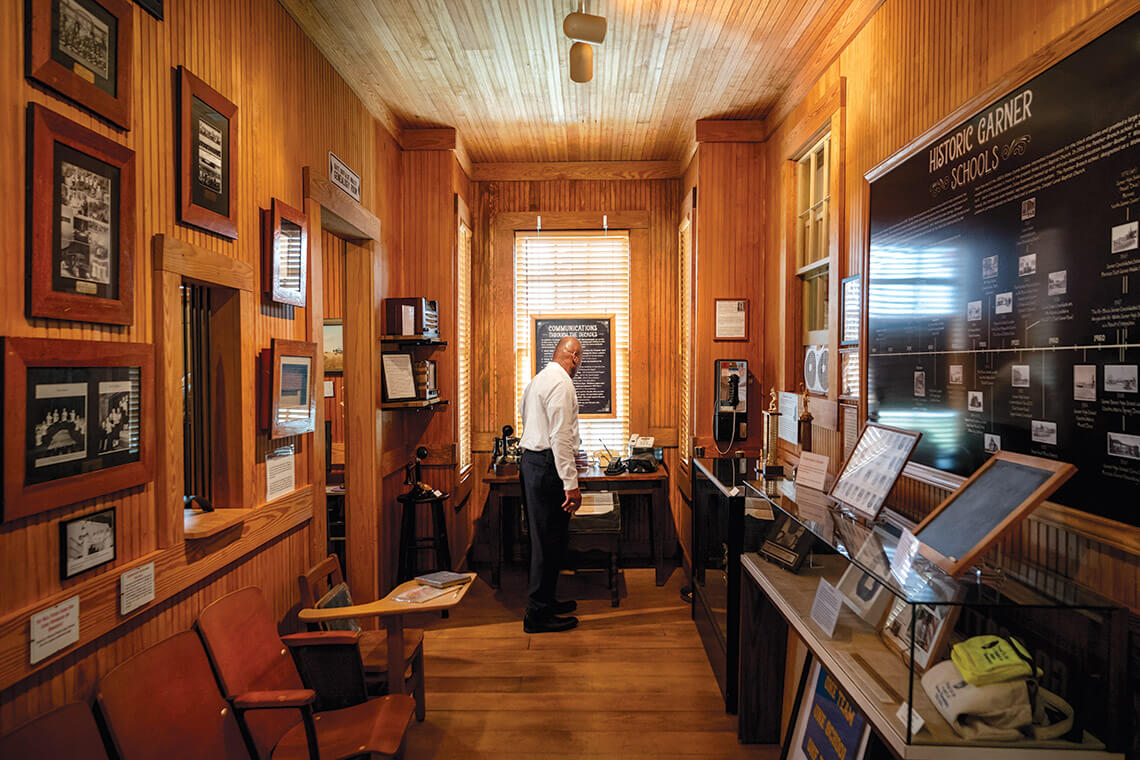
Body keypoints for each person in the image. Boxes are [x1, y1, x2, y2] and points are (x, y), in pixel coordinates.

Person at [518, 336, 584, 633]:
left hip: (533, 463)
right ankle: (537, 615)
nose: (579, 365)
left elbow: (527, 418)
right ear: (574, 357)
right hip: (546, 467)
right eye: (579, 359)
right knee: (546, 542)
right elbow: (559, 437)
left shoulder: (538, 379)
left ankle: (546, 601)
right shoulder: (562, 383)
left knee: (548, 539)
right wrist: (571, 483)